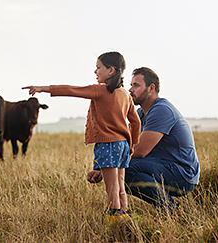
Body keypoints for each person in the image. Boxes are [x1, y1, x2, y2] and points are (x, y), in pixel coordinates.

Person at [22, 51, 141, 226]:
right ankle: (127, 221)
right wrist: (133, 144)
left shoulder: (100, 90)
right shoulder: (125, 95)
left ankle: (113, 226)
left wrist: (42, 88)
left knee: (111, 190)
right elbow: (135, 122)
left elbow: (71, 90)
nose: (95, 71)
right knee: (121, 188)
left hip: (107, 144)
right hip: (123, 145)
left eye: (98, 67)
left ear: (111, 70)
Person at [87, 67, 200, 211]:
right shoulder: (140, 114)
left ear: (151, 88)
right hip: (163, 167)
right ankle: (166, 208)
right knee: (120, 169)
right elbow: (120, 142)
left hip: (183, 175)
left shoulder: (162, 110)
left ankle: (171, 210)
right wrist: (99, 166)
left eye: (136, 85)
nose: (130, 90)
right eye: (131, 85)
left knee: (124, 170)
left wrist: (107, 166)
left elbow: (140, 151)